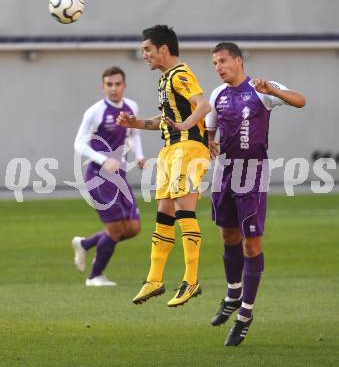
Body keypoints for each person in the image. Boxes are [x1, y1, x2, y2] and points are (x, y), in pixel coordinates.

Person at [206, 42, 306, 346]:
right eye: (215, 63)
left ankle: (245, 315)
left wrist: (274, 93)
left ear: (238, 61)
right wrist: (210, 140)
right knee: (228, 237)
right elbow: (210, 126)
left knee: (252, 244)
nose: (219, 67)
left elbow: (300, 100)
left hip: (253, 175)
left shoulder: (261, 87)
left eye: (222, 61)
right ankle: (232, 293)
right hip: (225, 172)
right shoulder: (217, 95)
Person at [117, 25, 211, 307]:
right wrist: (137, 123)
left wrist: (185, 125)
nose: (143, 54)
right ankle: (154, 279)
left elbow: (203, 105)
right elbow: (165, 120)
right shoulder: (164, 79)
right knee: (164, 212)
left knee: (184, 209)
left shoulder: (180, 74)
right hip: (171, 149)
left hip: (188, 148)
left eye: (147, 49)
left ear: (163, 49)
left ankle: (191, 280)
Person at [72, 66, 146, 286]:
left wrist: (140, 156)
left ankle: (85, 244)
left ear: (124, 85)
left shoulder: (131, 106)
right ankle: (95, 276)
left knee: (133, 228)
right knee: (115, 229)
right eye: (109, 84)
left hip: (119, 175)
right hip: (98, 176)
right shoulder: (95, 112)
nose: (113, 89)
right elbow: (78, 143)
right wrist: (104, 160)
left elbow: (134, 134)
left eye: (117, 84)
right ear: (102, 86)